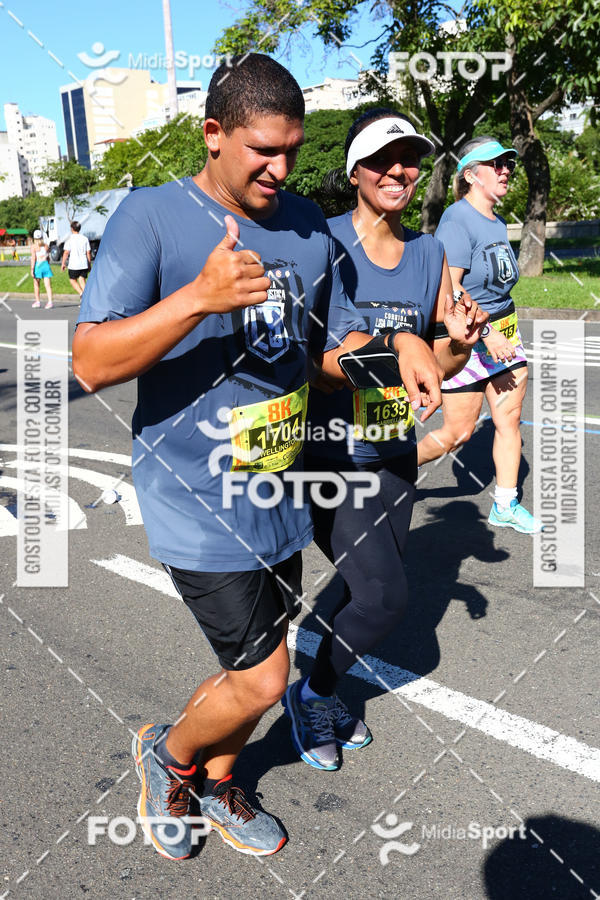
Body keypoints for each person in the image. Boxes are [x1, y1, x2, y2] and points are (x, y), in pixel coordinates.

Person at [72, 56, 444, 861]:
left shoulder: (306, 223)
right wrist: (196, 299)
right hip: (195, 495)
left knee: (255, 664)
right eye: (263, 151)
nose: (281, 168)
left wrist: (400, 346)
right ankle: (168, 755)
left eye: (292, 150)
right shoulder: (151, 216)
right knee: (264, 677)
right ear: (214, 134)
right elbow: (90, 361)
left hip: (280, 489)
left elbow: (328, 345)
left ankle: (218, 780)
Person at [282, 108, 488, 771]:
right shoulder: (321, 242)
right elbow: (311, 361)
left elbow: (439, 365)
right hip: (328, 452)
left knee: (364, 589)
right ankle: (312, 695)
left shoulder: (429, 254)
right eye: (382, 159)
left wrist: (457, 342)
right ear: (354, 171)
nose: (399, 170)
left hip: (392, 449)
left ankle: (322, 684)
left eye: (410, 159)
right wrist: (394, 345)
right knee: (383, 598)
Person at [417, 136, 542, 534]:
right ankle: (392, 470)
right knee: (458, 433)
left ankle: (505, 504)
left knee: (509, 419)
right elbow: (450, 288)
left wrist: (501, 333)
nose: (506, 171)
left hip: (505, 334)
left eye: (509, 164)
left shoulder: (496, 221)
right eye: (496, 164)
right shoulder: (456, 219)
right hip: (470, 339)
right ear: (470, 175)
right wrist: (487, 334)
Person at [61, 220, 91, 298]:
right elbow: (88, 252)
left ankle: (82, 294)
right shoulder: (85, 239)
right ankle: (86, 297)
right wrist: (89, 264)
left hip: (74, 264)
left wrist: (63, 263)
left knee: (72, 280)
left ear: (72, 228)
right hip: (83, 263)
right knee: (82, 280)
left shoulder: (69, 239)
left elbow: (66, 252)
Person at [30, 229, 53, 309]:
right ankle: (50, 302)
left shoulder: (33, 247)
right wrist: (48, 264)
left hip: (38, 266)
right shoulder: (46, 246)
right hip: (46, 265)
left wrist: (32, 269)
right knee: (48, 285)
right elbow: (48, 257)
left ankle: (38, 302)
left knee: (36, 284)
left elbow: (33, 258)